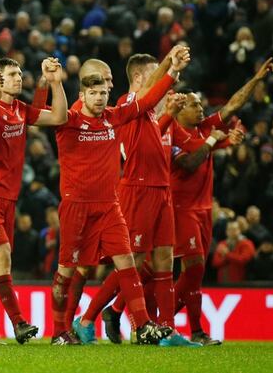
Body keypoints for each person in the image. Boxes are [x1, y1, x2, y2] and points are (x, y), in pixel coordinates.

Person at [73, 48, 200, 347]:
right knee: (132, 260)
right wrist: (170, 65)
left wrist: (168, 111)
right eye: (153, 74)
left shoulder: (150, 111)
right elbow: (150, 92)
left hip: (161, 188)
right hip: (138, 188)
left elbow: (152, 138)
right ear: (141, 78)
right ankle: (88, 317)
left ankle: (167, 331)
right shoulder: (127, 102)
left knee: (164, 261)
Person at [49, 56, 180, 346]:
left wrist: (172, 73)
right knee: (66, 271)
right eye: (93, 93)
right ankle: (59, 330)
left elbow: (146, 102)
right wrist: (54, 82)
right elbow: (51, 113)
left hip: (109, 206)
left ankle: (143, 324)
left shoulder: (113, 116)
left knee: (127, 262)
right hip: (76, 207)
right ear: (82, 95)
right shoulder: (68, 120)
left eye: (104, 92)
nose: (99, 97)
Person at [154, 58, 273, 346]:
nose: (202, 109)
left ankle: (178, 327)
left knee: (195, 274)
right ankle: (167, 323)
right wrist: (213, 143)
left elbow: (232, 105)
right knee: (193, 269)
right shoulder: (172, 131)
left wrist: (256, 79)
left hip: (205, 209)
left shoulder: (204, 128)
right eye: (196, 105)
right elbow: (187, 165)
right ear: (180, 108)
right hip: (181, 208)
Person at [0, 57, 67, 345]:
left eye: (20, 74)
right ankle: (19, 322)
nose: (19, 78)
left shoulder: (21, 109)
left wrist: (54, 83)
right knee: (2, 254)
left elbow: (59, 117)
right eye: (12, 74)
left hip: (7, 195)